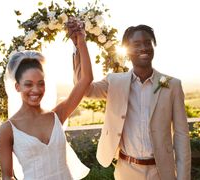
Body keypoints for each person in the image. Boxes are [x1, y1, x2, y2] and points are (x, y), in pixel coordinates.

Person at [72, 25, 191, 180]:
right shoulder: (114, 81)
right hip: (126, 170)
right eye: (137, 44)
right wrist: (79, 45)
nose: (144, 48)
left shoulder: (171, 84)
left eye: (148, 43)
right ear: (127, 50)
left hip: (161, 172)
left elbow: (181, 135)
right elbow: (84, 89)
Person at [0, 18, 92, 180]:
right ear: (17, 86)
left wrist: (80, 41)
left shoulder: (57, 115)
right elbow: (7, 177)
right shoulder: (7, 130)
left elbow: (86, 79)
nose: (36, 90)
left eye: (40, 83)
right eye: (28, 84)